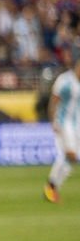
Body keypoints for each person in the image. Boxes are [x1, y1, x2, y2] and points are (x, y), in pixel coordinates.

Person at [44, 53, 80, 203]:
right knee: (69, 155)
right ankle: (50, 186)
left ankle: (52, 187)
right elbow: (54, 100)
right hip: (64, 124)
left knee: (71, 158)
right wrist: (53, 121)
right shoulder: (65, 80)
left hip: (76, 124)